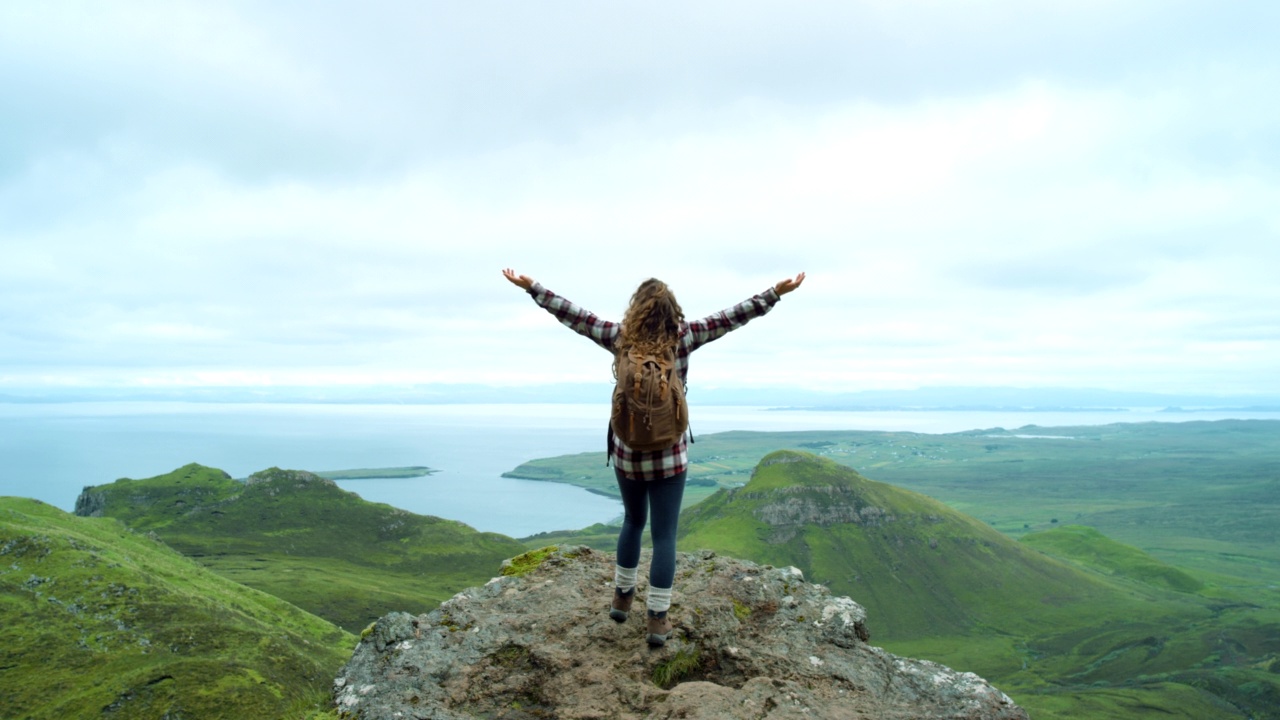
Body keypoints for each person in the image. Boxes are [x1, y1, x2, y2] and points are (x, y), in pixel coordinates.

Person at [502, 268, 805, 646]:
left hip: (628, 454)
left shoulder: (619, 338)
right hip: (670, 455)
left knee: (632, 521)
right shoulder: (685, 338)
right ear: (672, 312)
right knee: (664, 537)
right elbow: (733, 316)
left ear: (637, 310)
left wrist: (533, 287)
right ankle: (657, 619)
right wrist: (775, 292)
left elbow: (574, 316)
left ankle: (621, 598)